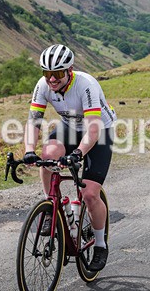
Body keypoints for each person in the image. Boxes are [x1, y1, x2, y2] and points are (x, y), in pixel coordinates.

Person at [23, 44, 116, 271]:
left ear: (69, 70)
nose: (51, 80)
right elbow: (34, 120)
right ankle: (49, 204)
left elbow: (93, 130)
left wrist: (77, 154)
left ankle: (101, 245)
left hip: (99, 131)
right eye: (47, 74)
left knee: (90, 194)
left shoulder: (86, 85)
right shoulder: (42, 85)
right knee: (47, 156)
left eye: (56, 74)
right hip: (70, 127)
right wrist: (28, 151)